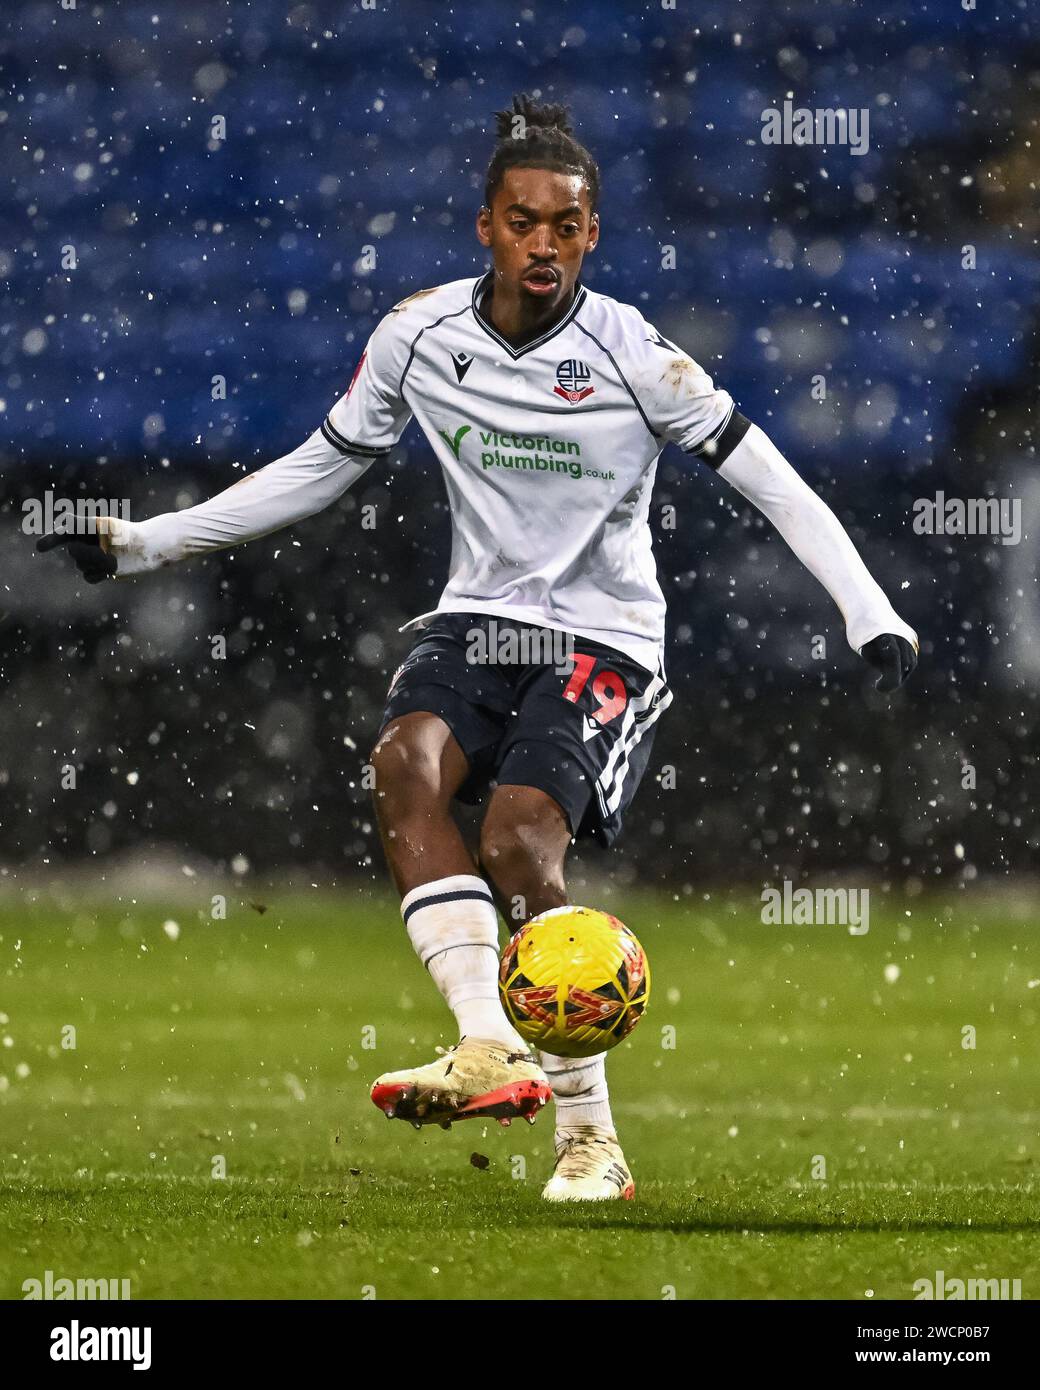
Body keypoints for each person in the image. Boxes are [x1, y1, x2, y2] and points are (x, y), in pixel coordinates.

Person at [39, 93, 918, 1202]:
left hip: (602, 638)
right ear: (484, 226)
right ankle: (485, 1043)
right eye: (521, 221)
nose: (541, 243)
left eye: (564, 225)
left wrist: (866, 610)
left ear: (591, 234)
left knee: (514, 840)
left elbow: (773, 482)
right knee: (403, 764)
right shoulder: (419, 334)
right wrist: (147, 544)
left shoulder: (637, 357)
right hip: (471, 622)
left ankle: (588, 1139)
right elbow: (319, 466)